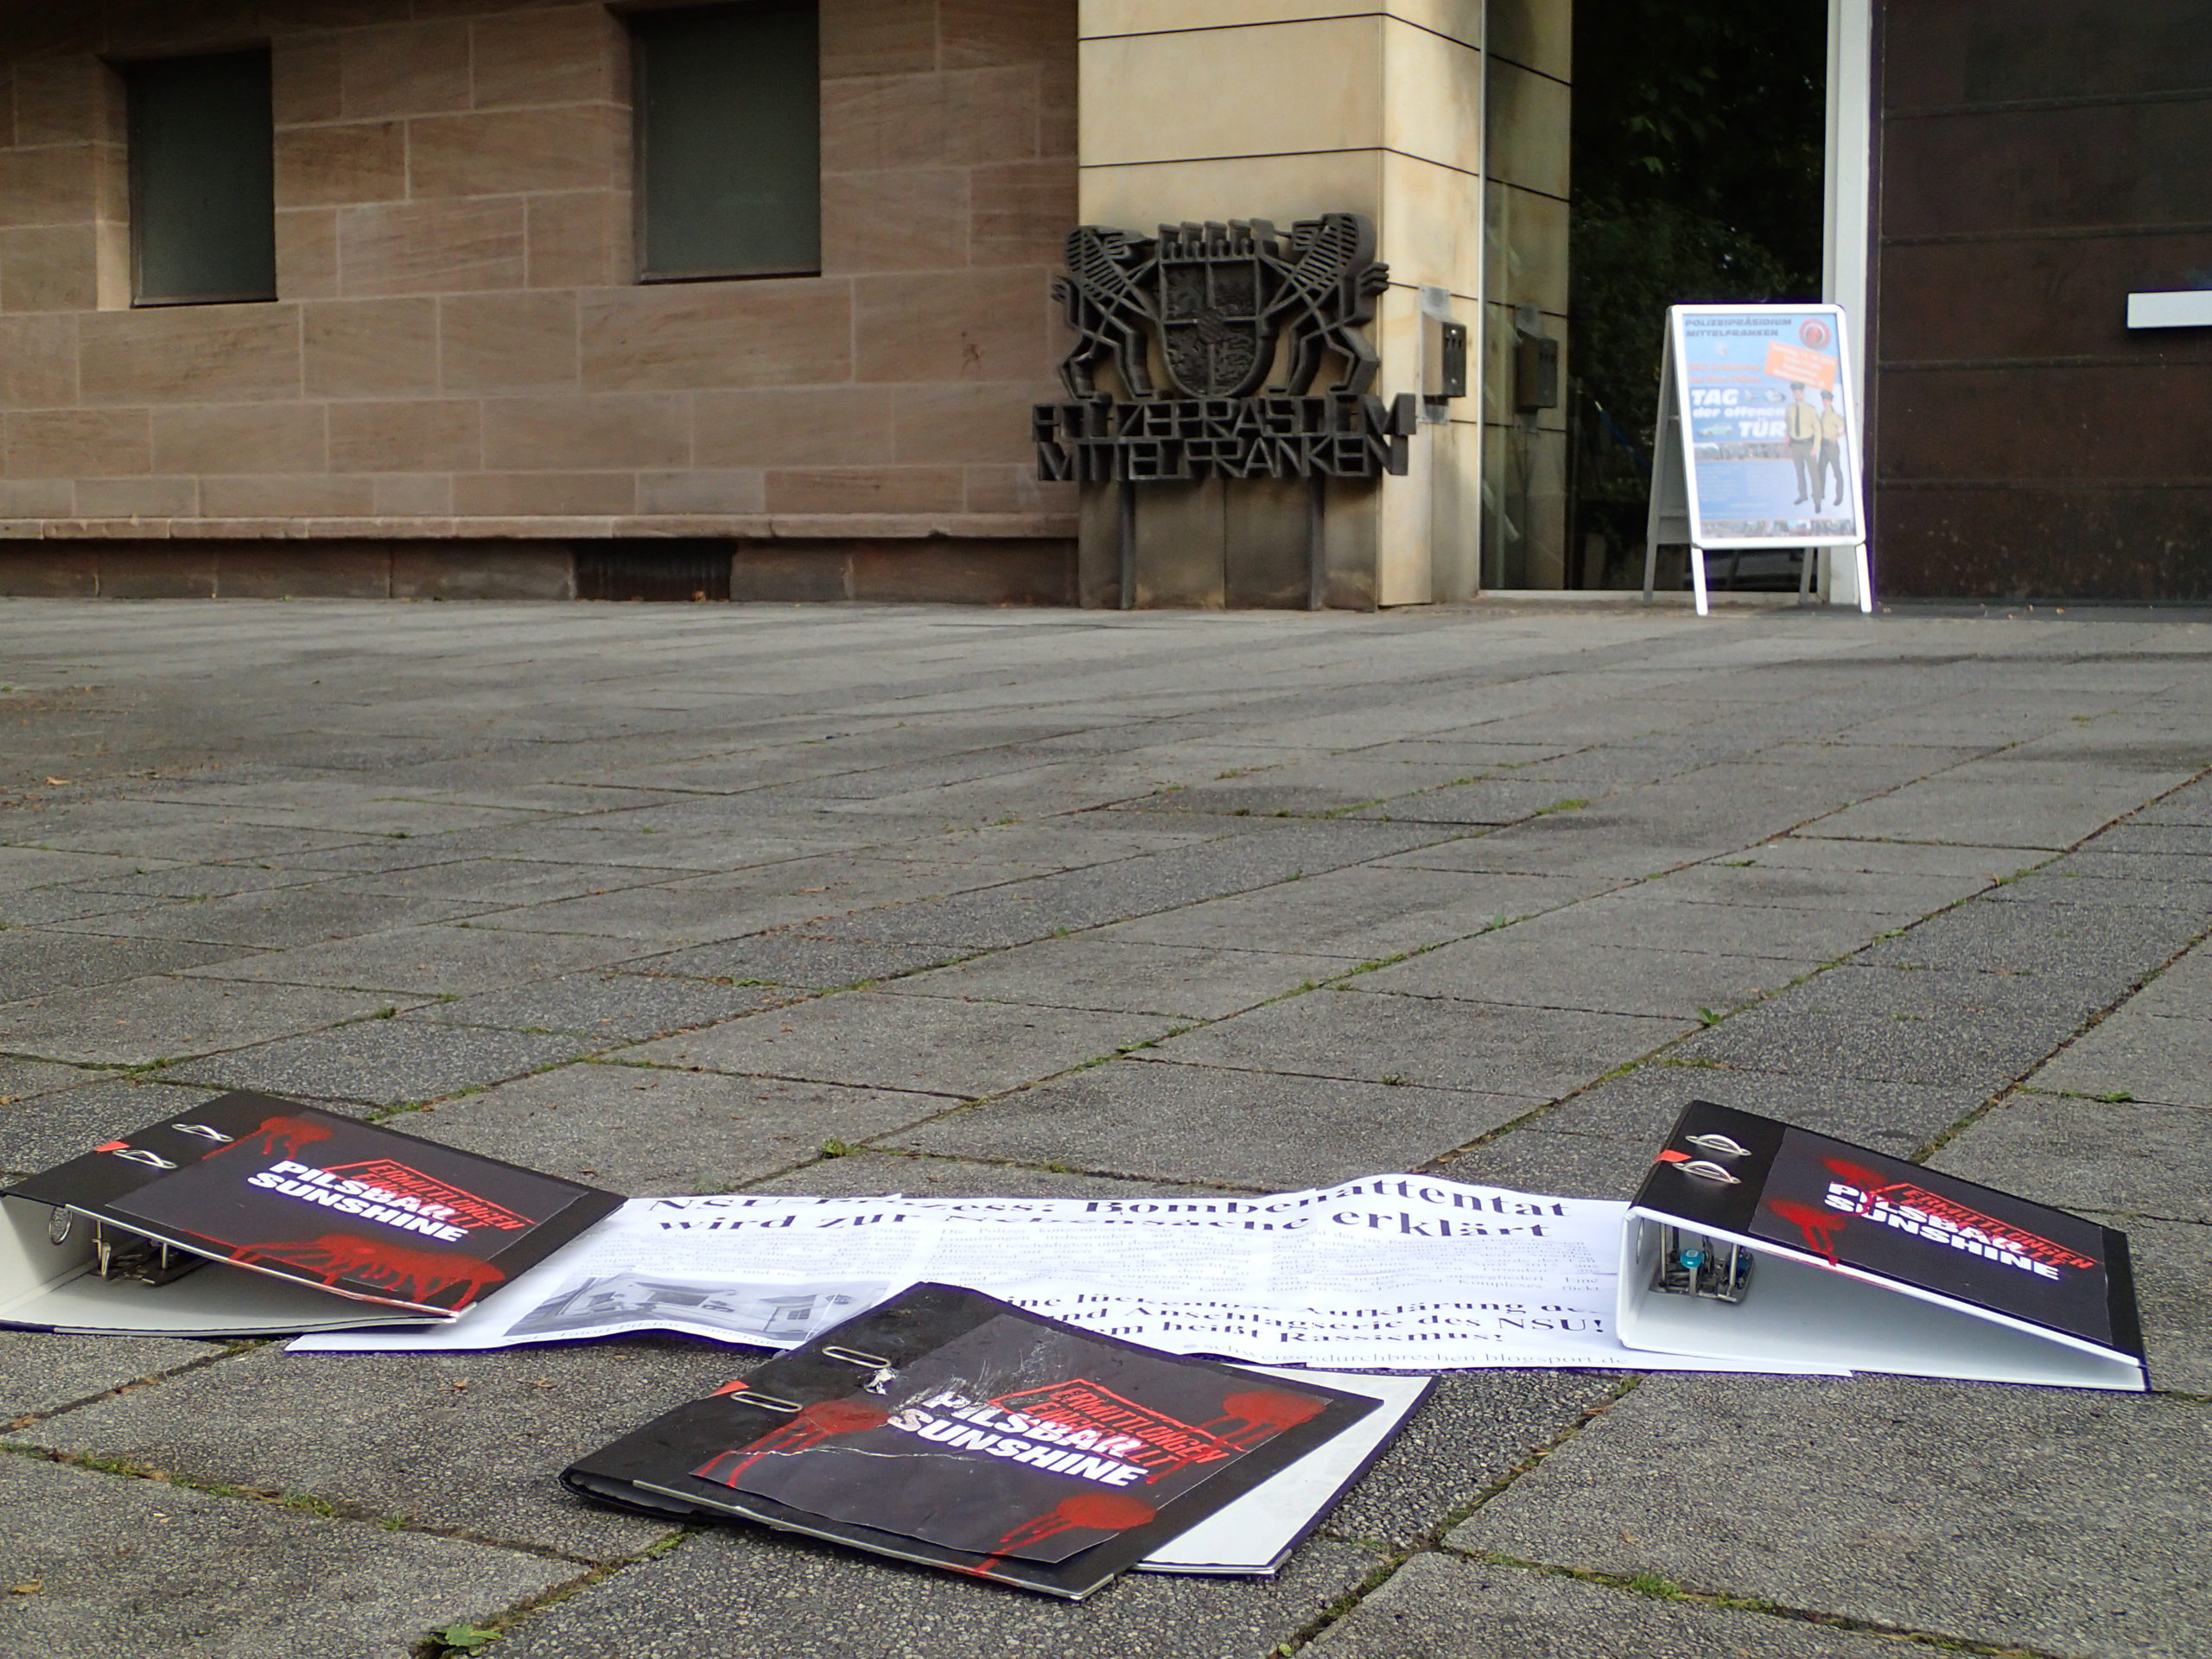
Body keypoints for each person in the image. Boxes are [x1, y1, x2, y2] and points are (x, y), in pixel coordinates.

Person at [1783, 383, 1819, 504]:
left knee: (1813, 472)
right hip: (1796, 445)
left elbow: (1817, 428)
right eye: (1795, 392)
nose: (1797, 394)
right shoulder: (1790, 408)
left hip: (1808, 444)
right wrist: (1787, 435)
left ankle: (1817, 498)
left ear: (1803, 393)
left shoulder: (1810, 409)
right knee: (1799, 472)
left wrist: (1816, 446)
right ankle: (1803, 495)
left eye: (1799, 392)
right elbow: (1788, 424)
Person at [1815, 389, 1848, 508]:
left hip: (1832, 446)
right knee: (1821, 470)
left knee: (1836, 472)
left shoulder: (1834, 415)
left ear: (1831, 401)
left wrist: (1837, 436)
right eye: (1824, 400)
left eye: (1827, 400)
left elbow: (1847, 426)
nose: (1825, 402)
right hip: (1823, 446)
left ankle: (1839, 496)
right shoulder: (1823, 413)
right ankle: (1821, 494)